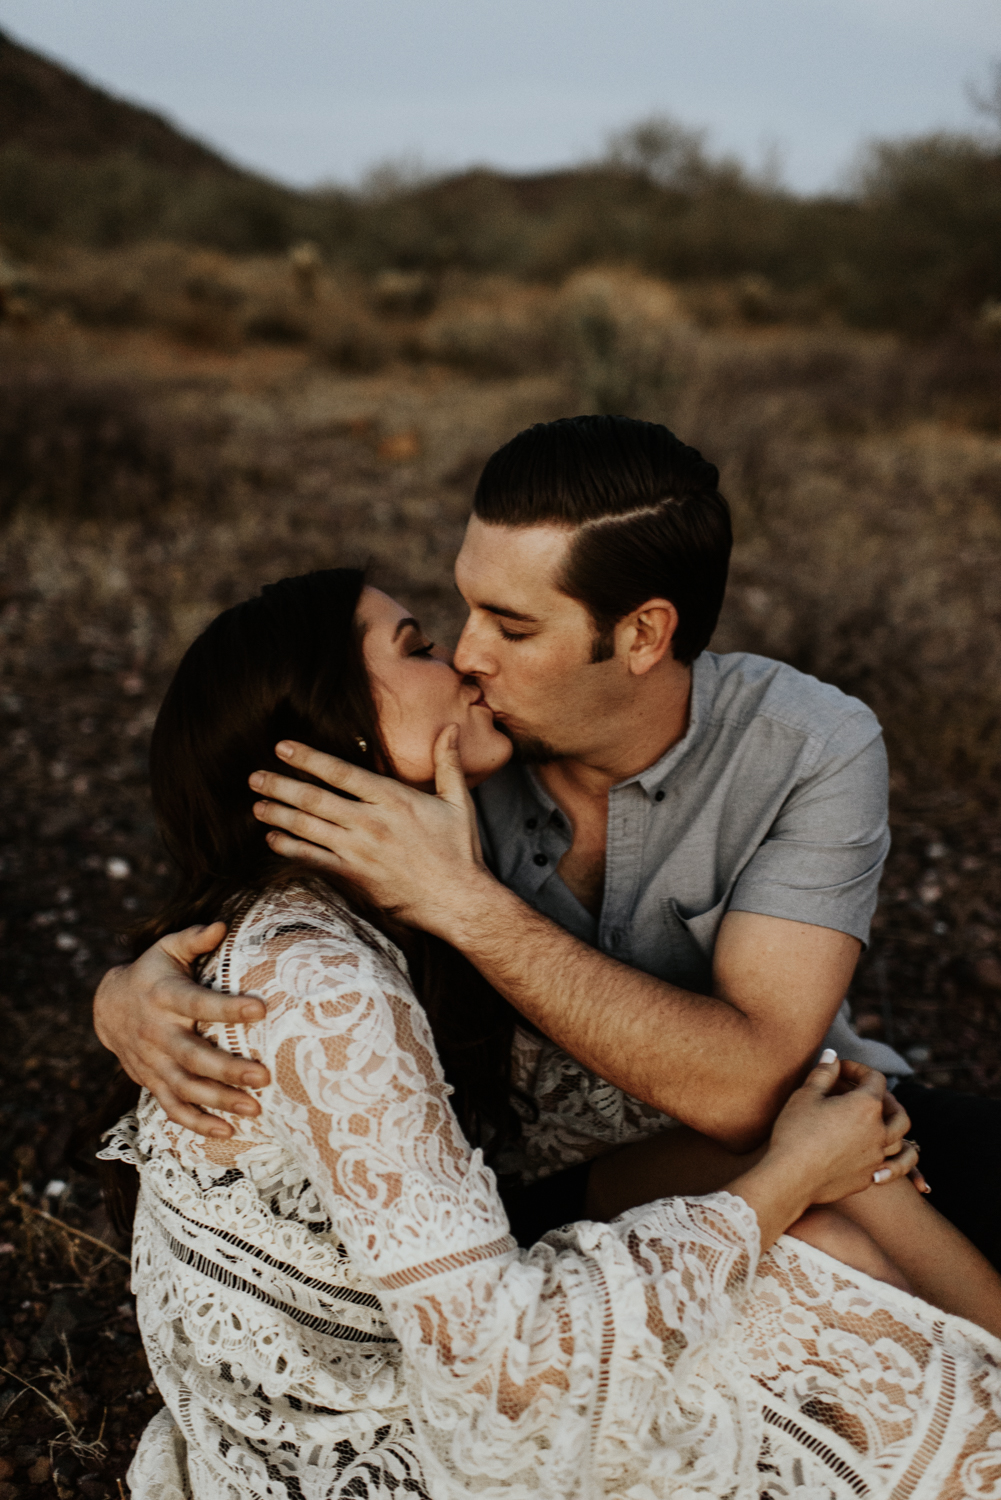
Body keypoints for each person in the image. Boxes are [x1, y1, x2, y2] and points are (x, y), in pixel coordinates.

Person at [100, 567, 1001, 1499]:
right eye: (420, 647)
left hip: (566, 1207)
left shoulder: (414, 869)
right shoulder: (318, 969)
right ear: (345, 728)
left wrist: (810, 1152)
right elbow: (502, 1379)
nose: (468, 662)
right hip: (389, 1418)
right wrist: (784, 1182)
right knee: (827, 1254)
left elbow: (693, 1096)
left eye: (504, 626)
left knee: (835, 1172)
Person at [94, 414, 1001, 1264]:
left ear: (643, 633)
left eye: (514, 626)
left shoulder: (809, 748)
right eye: (466, 608)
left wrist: (464, 903)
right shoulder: (444, 760)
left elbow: (749, 1087)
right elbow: (245, 870)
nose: (466, 654)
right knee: (852, 1254)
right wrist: (124, 994)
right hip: (547, 1184)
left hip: (792, 1113)